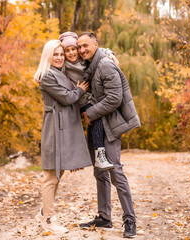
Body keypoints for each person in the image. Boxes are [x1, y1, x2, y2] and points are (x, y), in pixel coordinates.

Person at [77, 32, 141, 238]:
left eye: (85, 45)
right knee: (100, 171)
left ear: (96, 45)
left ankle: (130, 220)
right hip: (96, 125)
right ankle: (104, 217)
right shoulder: (90, 65)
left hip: (109, 125)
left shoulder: (104, 64)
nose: (81, 50)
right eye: (79, 47)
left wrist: (90, 113)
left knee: (115, 171)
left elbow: (115, 98)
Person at [33, 39, 92, 233]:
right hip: (54, 127)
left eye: (61, 54)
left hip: (64, 126)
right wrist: (80, 90)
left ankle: (45, 213)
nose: (59, 58)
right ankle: (47, 219)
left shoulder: (61, 72)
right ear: (48, 56)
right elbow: (68, 98)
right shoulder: (48, 76)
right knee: (51, 175)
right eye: (55, 54)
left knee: (57, 174)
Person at [58, 31, 117, 171]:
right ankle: (99, 155)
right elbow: (50, 63)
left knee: (98, 123)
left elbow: (98, 51)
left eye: (74, 49)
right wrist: (40, 74)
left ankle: (98, 153)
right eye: (67, 50)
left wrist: (110, 53)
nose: (71, 53)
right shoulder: (64, 65)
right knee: (96, 119)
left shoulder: (84, 60)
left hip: (94, 97)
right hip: (82, 100)